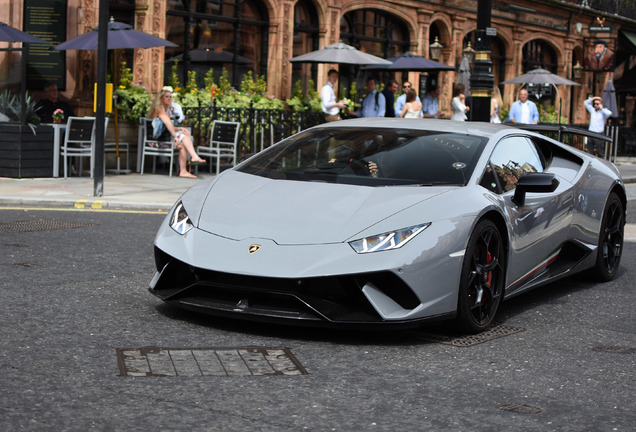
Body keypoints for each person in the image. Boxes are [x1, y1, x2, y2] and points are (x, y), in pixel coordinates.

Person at [148, 89, 207, 178]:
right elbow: (167, 123)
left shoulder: (165, 110)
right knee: (183, 137)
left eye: (170, 97)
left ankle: (183, 171)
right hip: (156, 142)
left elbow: (167, 127)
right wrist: (175, 136)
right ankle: (194, 157)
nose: (169, 99)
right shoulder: (159, 109)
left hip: (163, 139)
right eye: (166, 97)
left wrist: (180, 128)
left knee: (183, 142)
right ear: (161, 99)